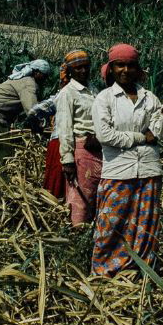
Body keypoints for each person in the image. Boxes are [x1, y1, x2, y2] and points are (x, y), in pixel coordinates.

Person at [90, 43, 163, 276]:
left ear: (137, 69)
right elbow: (105, 135)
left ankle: (139, 271)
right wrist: (140, 136)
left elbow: (160, 130)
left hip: (149, 169)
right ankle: (104, 271)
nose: (125, 70)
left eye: (131, 65)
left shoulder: (149, 97)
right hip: (118, 171)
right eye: (120, 65)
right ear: (111, 68)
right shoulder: (105, 98)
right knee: (111, 225)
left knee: (145, 225)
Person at [0, 59, 51, 166]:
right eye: (44, 76)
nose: (45, 79)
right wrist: (40, 128)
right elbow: (32, 110)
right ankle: (1, 180)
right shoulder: (29, 83)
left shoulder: (19, 79)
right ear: (36, 72)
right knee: (2, 154)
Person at [54, 49, 100, 226]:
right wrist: (67, 160)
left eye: (86, 67)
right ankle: (77, 231)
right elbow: (64, 127)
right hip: (82, 148)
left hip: (98, 147)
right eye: (78, 68)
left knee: (96, 193)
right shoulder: (68, 93)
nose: (83, 71)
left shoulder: (93, 89)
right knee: (80, 196)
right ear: (70, 70)